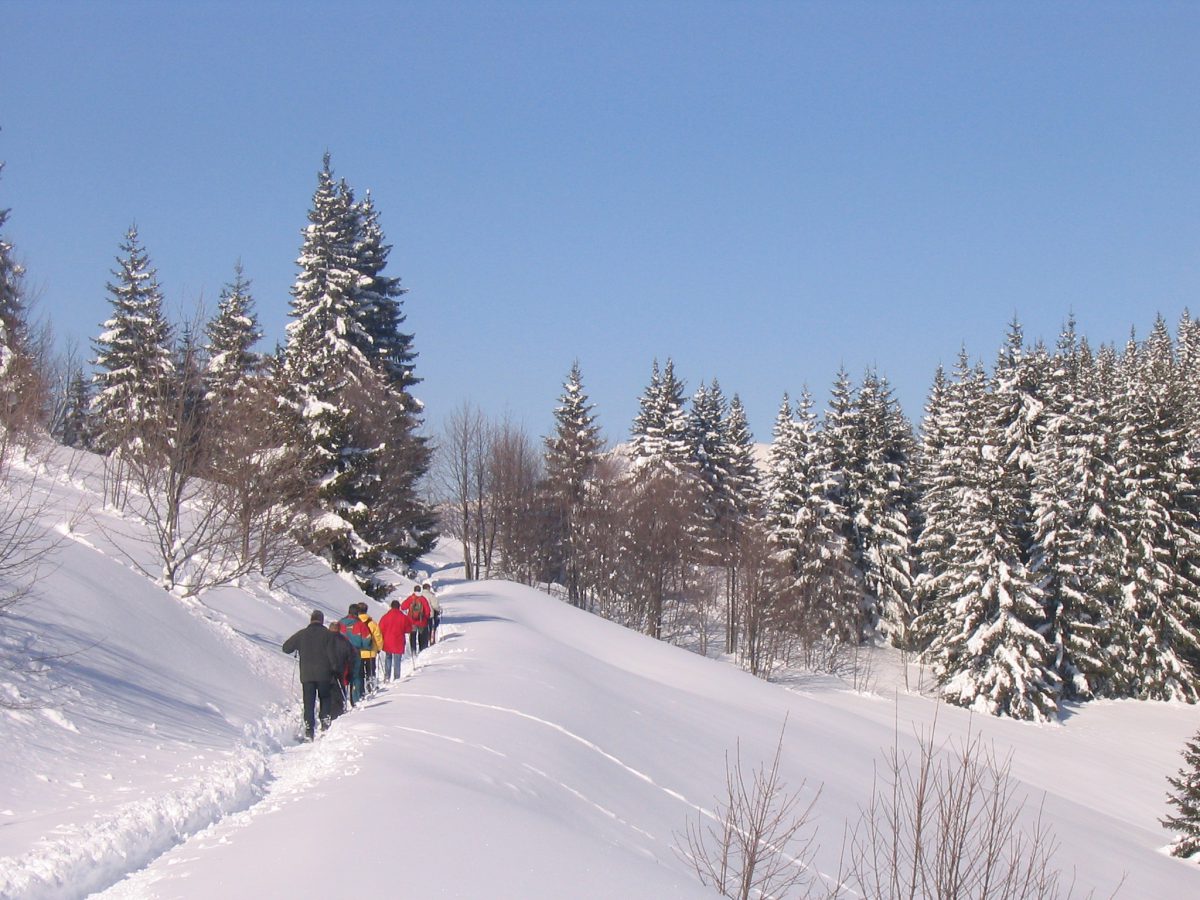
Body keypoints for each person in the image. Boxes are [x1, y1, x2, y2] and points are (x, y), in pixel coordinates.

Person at [281, 609, 340, 740]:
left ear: (311, 620)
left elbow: (286, 648)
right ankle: (325, 721)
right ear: (322, 620)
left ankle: (309, 728)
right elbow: (332, 654)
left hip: (306, 674)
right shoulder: (328, 635)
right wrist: (335, 668)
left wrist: (299, 647)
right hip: (324, 673)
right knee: (325, 697)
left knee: (309, 701)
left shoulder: (302, 634)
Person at [338, 604, 369, 705]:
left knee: (342, 675)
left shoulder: (340, 623)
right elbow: (366, 639)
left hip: (341, 653)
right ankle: (355, 699)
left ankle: (342, 700)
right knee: (355, 676)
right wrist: (365, 646)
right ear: (357, 613)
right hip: (355, 652)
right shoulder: (360, 624)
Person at [327, 621, 357, 719]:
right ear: (339, 629)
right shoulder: (345, 641)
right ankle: (337, 714)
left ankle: (327, 714)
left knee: (326, 694)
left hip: (325, 671)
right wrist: (350, 672)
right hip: (340, 671)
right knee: (339, 694)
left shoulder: (324, 639)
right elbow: (352, 657)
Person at [378, 598, 411, 682]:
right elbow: (408, 629)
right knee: (397, 660)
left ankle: (387, 677)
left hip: (388, 642)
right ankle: (397, 678)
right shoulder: (403, 617)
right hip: (398, 641)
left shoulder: (385, 617)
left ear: (391, 607)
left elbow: (380, 629)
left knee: (388, 658)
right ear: (399, 607)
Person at [356, 603, 384, 693]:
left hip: (359, 652)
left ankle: (361, 690)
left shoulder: (355, 623)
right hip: (370, 651)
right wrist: (379, 648)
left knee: (360, 672)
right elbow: (378, 637)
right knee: (370, 671)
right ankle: (371, 686)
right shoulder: (372, 623)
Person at [401, 585, 431, 658]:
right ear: (420, 590)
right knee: (422, 637)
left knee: (413, 636)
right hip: (422, 622)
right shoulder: (423, 599)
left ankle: (413, 651)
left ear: (414, 590)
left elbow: (403, 607)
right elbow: (428, 610)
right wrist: (426, 618)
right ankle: (422, 651)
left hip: (412, 622)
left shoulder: (411, 598)